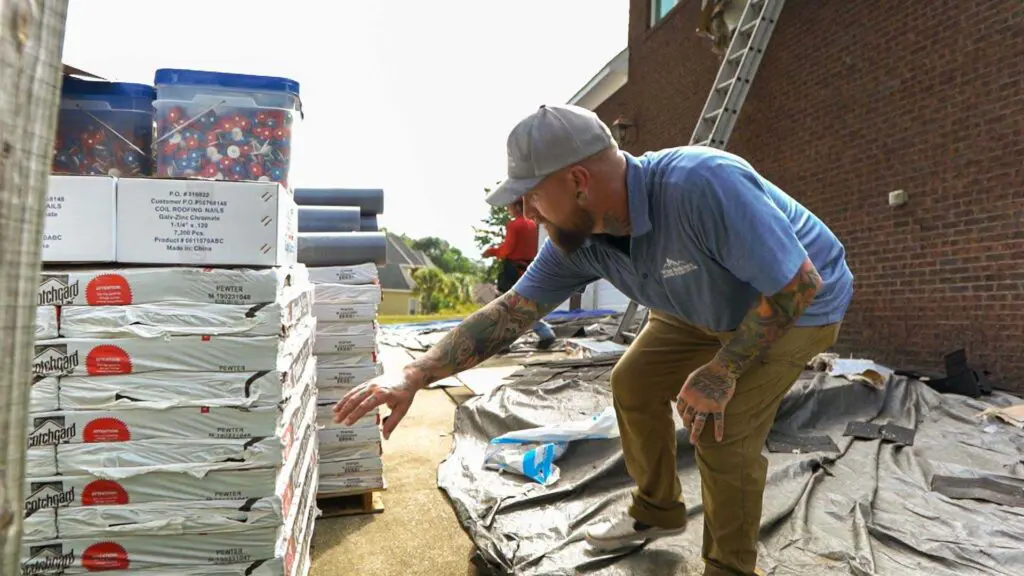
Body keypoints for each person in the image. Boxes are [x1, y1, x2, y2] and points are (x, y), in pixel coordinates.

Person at [333, 104, 853, 576]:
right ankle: (658, 510)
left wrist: (722, 370)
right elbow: (511, 313)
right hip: (693, 306)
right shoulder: (575, 241)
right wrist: (414, 373)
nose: (526, 215)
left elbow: (797, 284)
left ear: (578, 180)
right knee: (633, 382)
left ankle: (729, 568)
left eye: (531, 196)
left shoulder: (703, 184)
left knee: (721, 428)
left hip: (793, 304)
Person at [481, 198, 557, 350]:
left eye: (509, 206)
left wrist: (492, 252)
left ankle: (502, 342)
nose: (507, 210)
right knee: (526, 303)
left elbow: (507, 250)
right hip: (528, 267)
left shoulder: (514, 225)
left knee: (503, 305)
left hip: (512, 269)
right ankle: (545, 332)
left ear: (516, 206)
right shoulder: (532, 224)